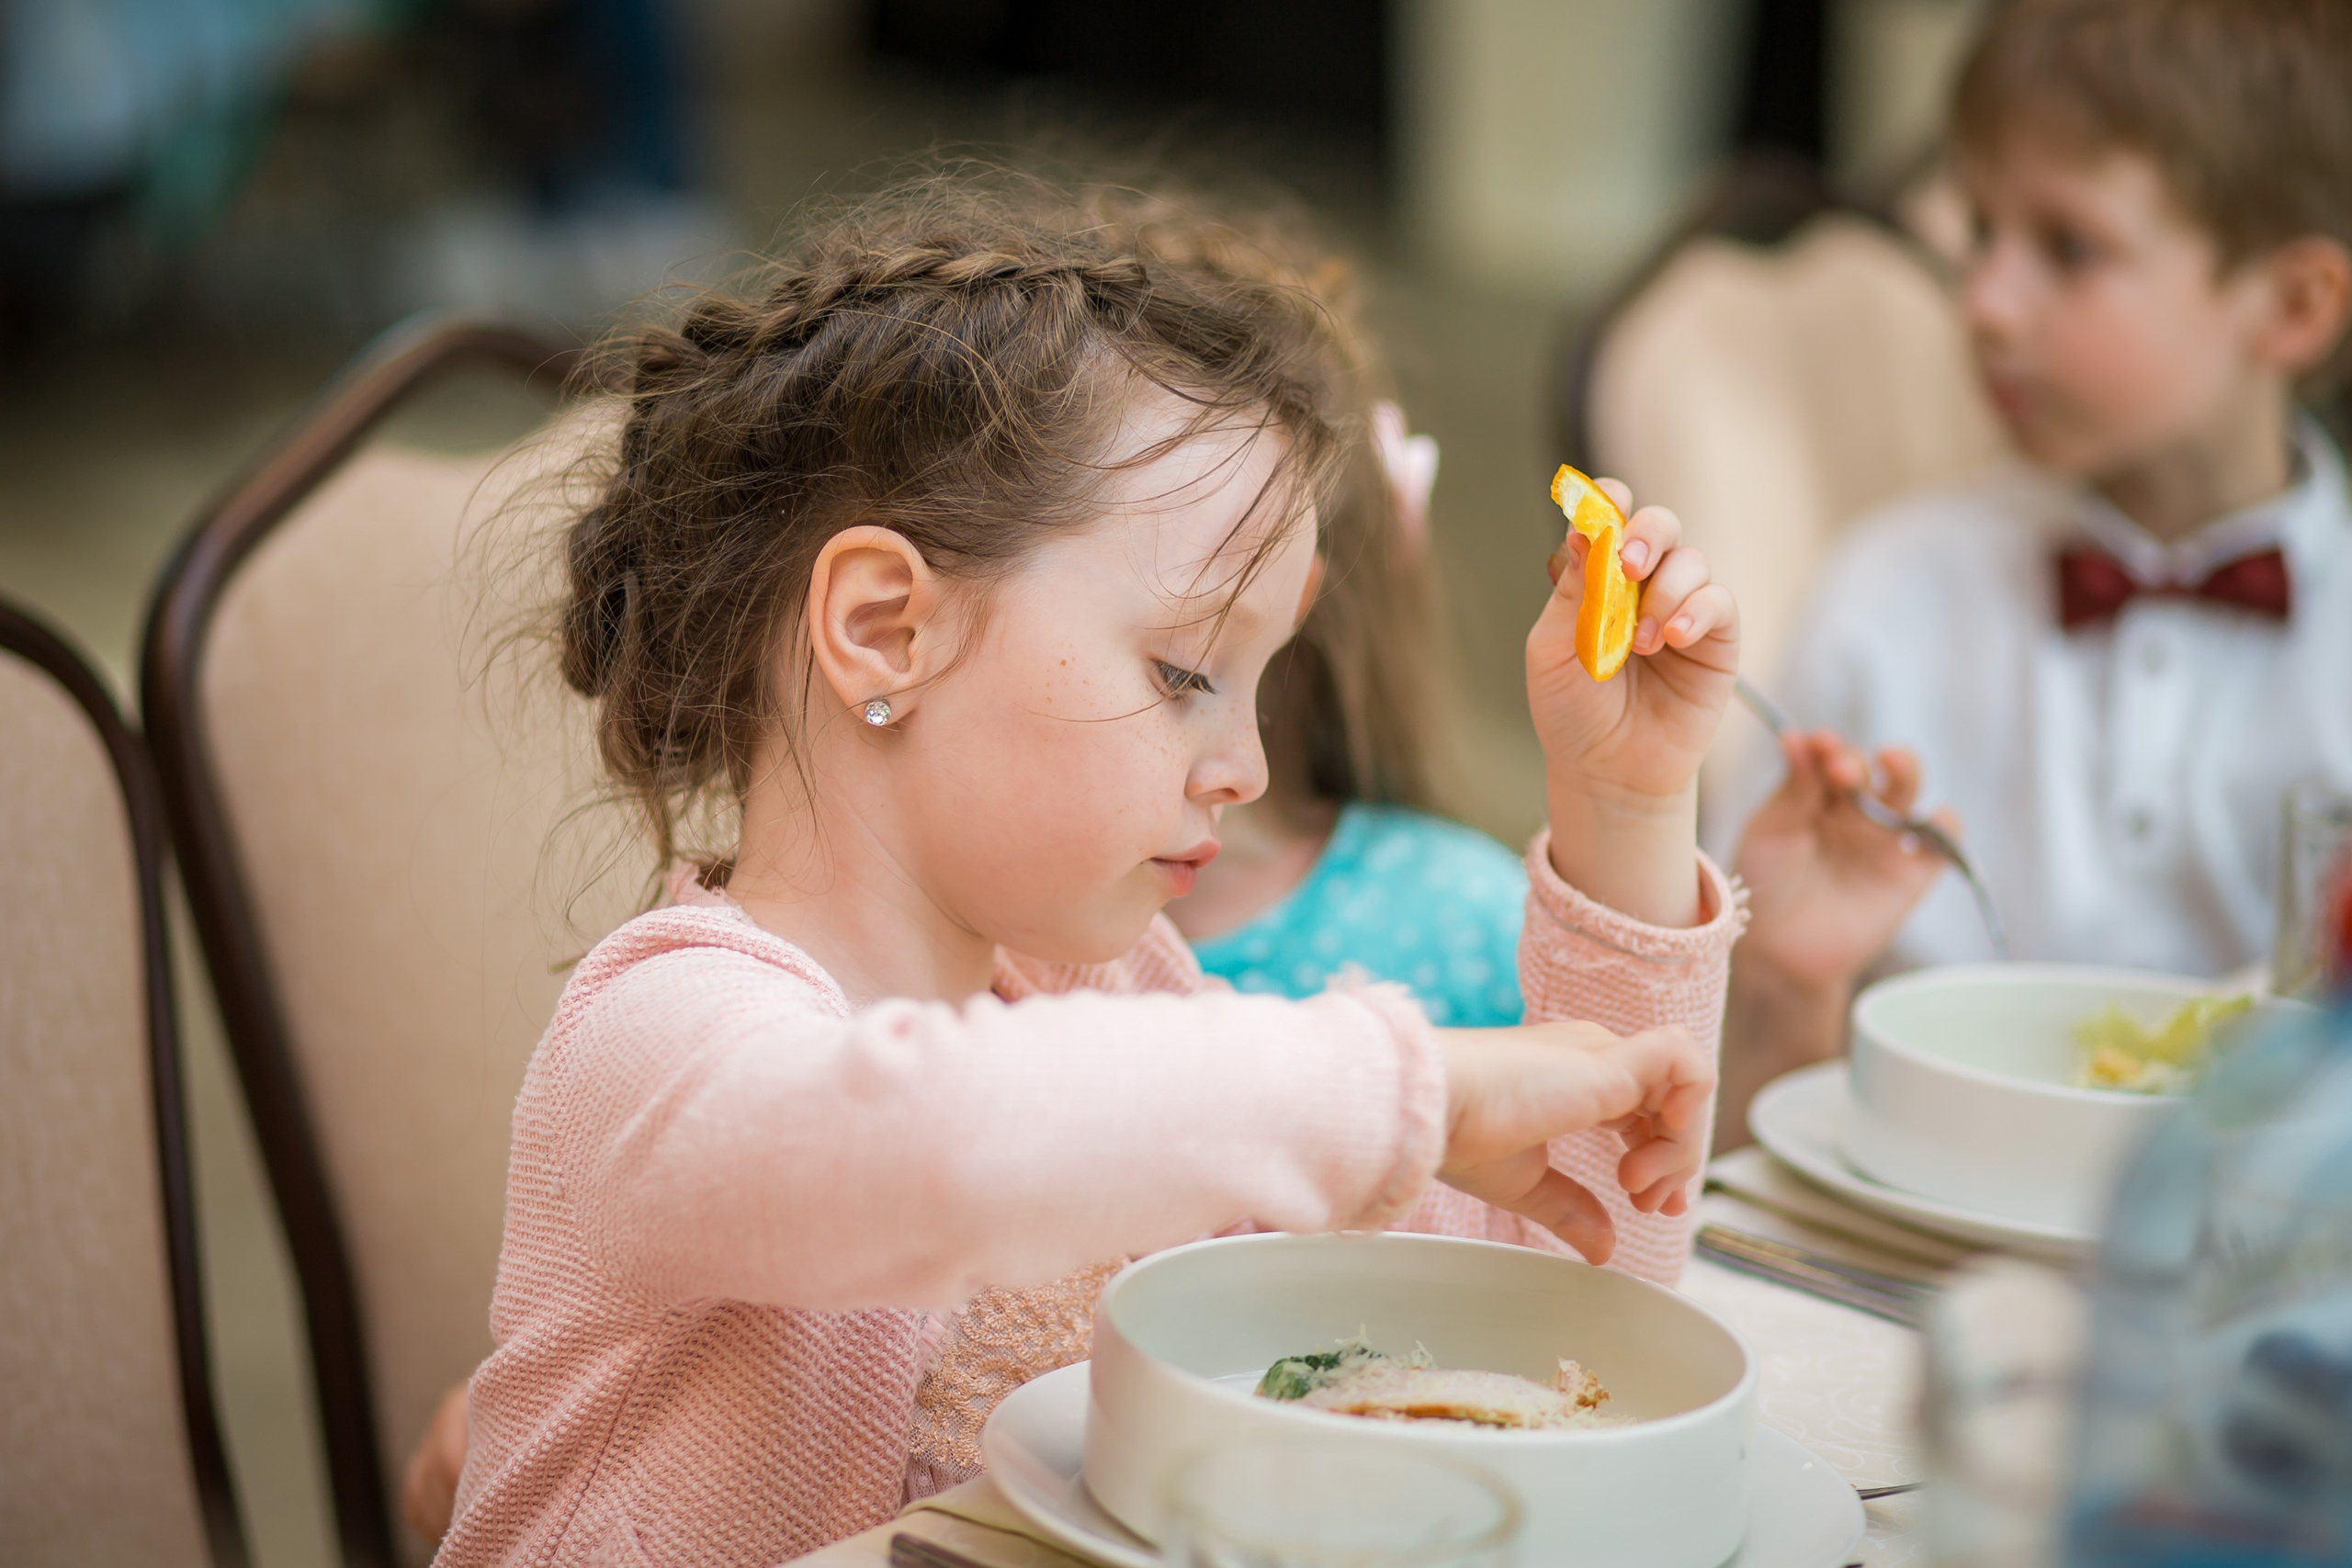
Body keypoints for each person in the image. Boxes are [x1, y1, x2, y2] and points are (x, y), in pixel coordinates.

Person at [429, 169, 1746, 1566]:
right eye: (1186, 669)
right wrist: (1397, 1085)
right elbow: (926, 1147)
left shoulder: (1122, 1010)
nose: (1243, 763)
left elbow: (1567, 1330)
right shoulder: (660, 1039)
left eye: (1261, 683)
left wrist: (1629, 805)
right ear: (884, 628)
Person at [1714, 0, 2352, 1090]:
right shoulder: (1887, 592)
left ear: (2291, 306)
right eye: (1977, 233)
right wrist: (1786, 988)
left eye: (2068, 247)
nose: (1987, 304)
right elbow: (1725, 1040)